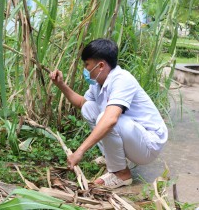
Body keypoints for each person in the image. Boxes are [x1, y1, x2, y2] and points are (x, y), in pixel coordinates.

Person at [50, 38, 168, 188]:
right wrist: (61, 85)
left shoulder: (122, 80)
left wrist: (79, 151)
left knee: (106, 119)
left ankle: (121, 174)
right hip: (134, 136)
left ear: (100, 66)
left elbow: (111, 119)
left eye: (87, 65)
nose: (85, 70)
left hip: (148, 145)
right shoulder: (98, 83)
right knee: (89, 108)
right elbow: (82, 103)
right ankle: (112, 159)